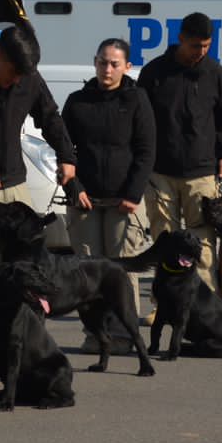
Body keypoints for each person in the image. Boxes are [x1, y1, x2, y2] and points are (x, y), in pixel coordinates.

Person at [0, 23, 76, 367]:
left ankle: (17, 350)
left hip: (16, 191)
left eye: (22, 77)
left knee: (22, 274)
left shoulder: (30, 80)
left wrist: (67, 156)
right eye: (11, 74)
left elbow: (51, 118)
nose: (15, 82)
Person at [135, 12, 222, 290]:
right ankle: (164, 302)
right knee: (164, 240)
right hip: (160, 173)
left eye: (206, 45)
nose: (201, 52)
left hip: (202, 173)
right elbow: (139, 120)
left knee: (203, 241)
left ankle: (202, 305)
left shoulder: (217, 74)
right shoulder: (154, 72)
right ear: (180, 38)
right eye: (195, 45)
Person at [61, 37, 155, 327]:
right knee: (86, 273)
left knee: (121, 270)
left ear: (127, 66)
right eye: (102, 62)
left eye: (114, 64)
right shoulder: (78, 101)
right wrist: (74, 188)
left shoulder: (137, 99)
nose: (107, 69)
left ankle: (124, 335)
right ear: (95, 62)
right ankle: (96, 335)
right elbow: (64, 150)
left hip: (123, 203)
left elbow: (146, 149)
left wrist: (133, 193)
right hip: (86, 202)